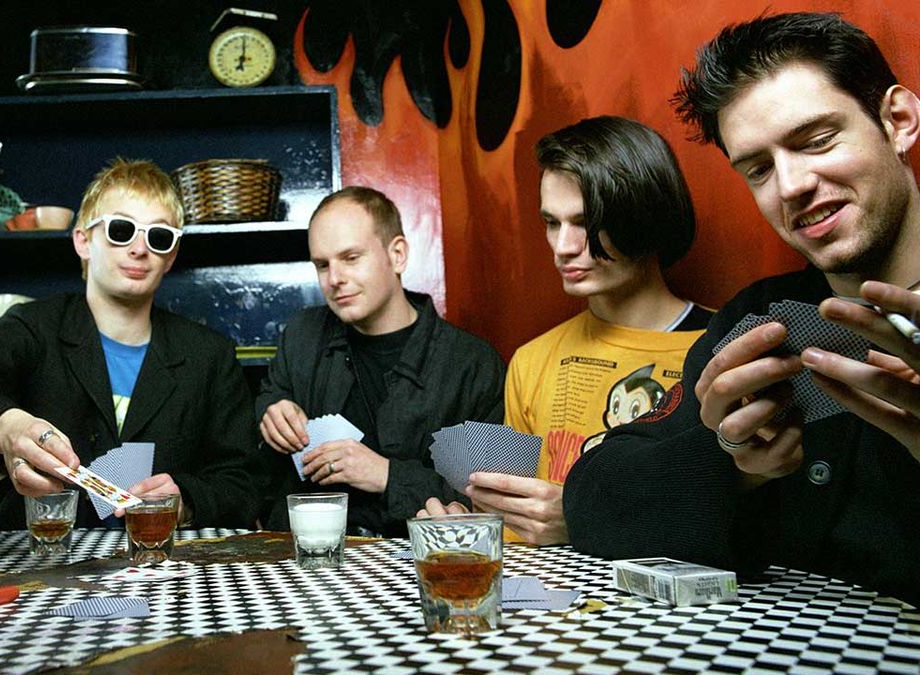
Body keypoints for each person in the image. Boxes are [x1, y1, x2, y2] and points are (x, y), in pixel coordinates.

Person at [562, 12, 920, 605]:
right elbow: (593, 499)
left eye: (816, 141)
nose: (790, 185)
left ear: (898, 121)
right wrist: (735, 465)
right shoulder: (760, 322)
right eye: (758, 168)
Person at [0, 158, 259, 531]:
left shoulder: (210, 355)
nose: (139, 249)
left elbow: (242, 483)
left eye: (158, 236)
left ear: (171, 256)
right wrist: (9, 428)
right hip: (44, 564)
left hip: (163, 569)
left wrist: (185, 502)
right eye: (121, 230)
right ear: (83, 241)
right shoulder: (32, 326)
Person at [421, 117, 711, 545]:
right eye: (552, 223)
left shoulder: (719, 348)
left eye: (587, 222)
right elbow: (519, 525)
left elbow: (732, 521)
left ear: (644, 214)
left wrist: (583, 518)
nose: (563, 246)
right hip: (554, 605)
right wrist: (470, 532)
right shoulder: (532, 360)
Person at [257, 186, 505, 538]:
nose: (335, 278)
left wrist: (386, 475)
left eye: (351, 257)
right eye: (322, 265)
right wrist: (270, 414)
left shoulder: (472, 364)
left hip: (413, 569)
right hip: (310, 562)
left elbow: (487, 501)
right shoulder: (301, 334)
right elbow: (267, 410)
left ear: (398, 254)